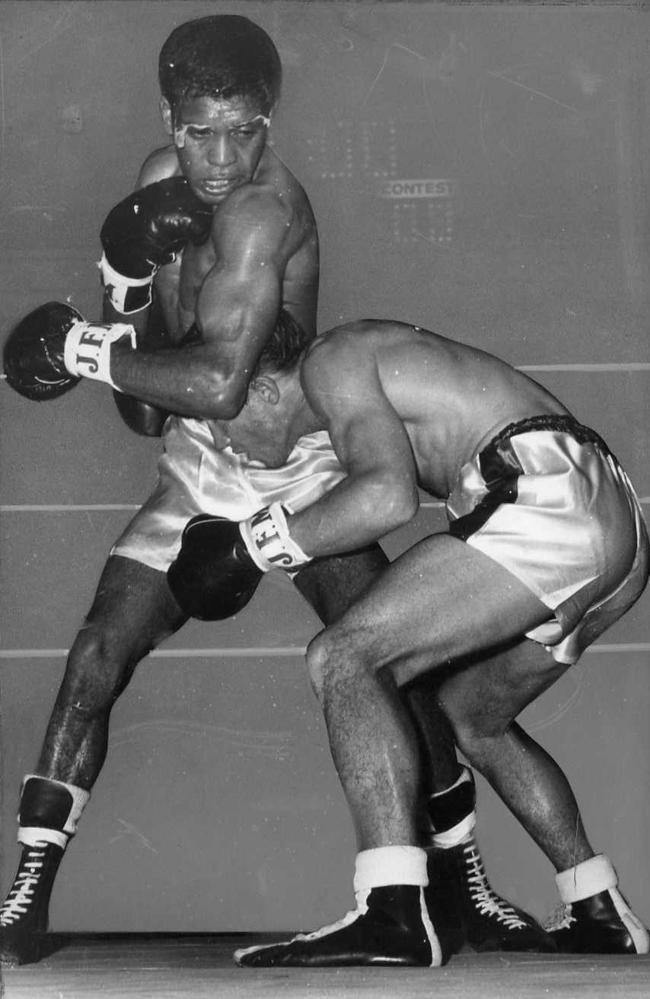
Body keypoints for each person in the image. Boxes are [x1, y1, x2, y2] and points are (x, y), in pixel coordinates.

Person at [0, 15, 546, 966]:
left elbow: (212, 381)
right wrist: (121, 280)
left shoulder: (266, 213)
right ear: (169, 119)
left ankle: (466, 887)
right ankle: (26, 892)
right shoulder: (154, 187)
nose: (222, 157)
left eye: (245, 129)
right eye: (201, 131)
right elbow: (148, 414)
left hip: (300, 465)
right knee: (95, 655)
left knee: (385, 666)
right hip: (199, 462)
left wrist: (82, 348)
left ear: (271, 119)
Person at [165, 317, 650, 966]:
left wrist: (254, 543)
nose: (226, 442)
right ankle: (598, 905)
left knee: (344, 655)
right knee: (472, 716)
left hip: (543, 491)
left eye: (219, 421)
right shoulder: (364, 383)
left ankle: (392, 908)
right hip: (612, 518)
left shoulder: (331, 361)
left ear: (261, 390)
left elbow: (388, 497)